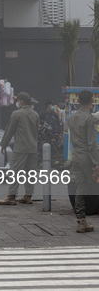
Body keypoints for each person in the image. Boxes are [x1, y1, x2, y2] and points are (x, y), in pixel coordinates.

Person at [0, 92, 39, 205]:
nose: (18, 102)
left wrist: (3, 144)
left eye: (18, 100)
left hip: (20, 148)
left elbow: (9, 130)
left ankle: (11, 196)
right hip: (32, 148)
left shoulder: (16, 114)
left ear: (22, 101)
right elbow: (36, 132)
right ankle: (28, 196)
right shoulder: (35, 114)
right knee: (30, 173)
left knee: (15, 172)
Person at [67, 90, 99, 232]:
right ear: (91, 101)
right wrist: (97, 163)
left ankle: (81, 221)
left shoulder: (72, 117)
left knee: (80, 188)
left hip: (76, 157)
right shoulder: (89, 119)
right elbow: (92, 144)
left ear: (78, 101)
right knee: (94, 183)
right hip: (87, 158)